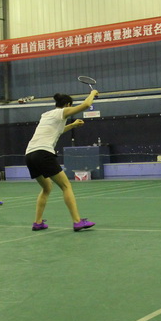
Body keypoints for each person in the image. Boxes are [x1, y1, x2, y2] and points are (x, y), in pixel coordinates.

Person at [26, 90, 99, 231]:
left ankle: (38, 222)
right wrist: (92, 93)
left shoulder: (46, 115)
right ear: (68, 105)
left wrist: (72, 125)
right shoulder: (62, 112)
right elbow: (86, 105)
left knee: (46, 188)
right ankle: (77, 221)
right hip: (43, 153)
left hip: (29, 155)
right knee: (66, 186)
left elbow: (56, 131)